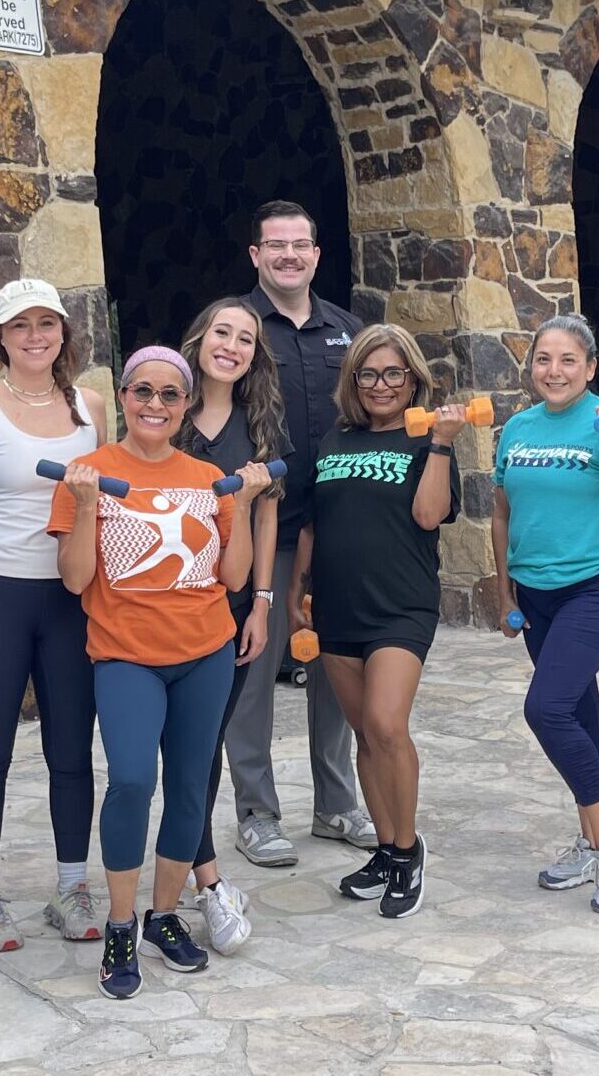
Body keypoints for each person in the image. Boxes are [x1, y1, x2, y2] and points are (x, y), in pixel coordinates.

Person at [48, 347, 273, 1002]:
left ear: (185, 405)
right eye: (142, 391)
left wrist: (254, 503)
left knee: (189, 789)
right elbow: (74, 579)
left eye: (170, 395)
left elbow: (231, 578)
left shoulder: (207, 477)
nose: (155, 404)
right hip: (125, 654)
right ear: (123, 396)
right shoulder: (90, 473)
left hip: (205, 651)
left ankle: (163, 915)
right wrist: (88, 505)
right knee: (131, 780)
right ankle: (121, 924)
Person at [0, 279, 112, 952]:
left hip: (71, 596)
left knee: (71, 748)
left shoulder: (91, 407)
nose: (34, 335)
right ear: (0, 336)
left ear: (64, 331)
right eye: (19, 325)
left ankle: (71, 887)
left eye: (47, 322)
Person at [289, 324, 462, 920]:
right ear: (353, 381)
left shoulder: (428, 441)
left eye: (394, 373)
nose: (382, 385)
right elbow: (312, 523)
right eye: (369, 373)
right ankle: (387, 850)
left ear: (413, 378)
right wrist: (295, 590)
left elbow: (429, 513)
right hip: (336, 605)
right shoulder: (335, 440)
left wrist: (440, 444)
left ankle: (410, 851)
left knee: (388, 724)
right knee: (364, 731)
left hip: (402, 603)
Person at [490, 312, 599, 916]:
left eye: (567, 361)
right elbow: (503, 513)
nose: (553, 371)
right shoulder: (518, 429)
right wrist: (505, 594)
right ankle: (592, 839)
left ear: (590, 368)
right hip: (535, 594)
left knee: (546, 707)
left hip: (596, 587)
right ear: (530, 366)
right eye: (543, 359)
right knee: (578, 713)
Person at [226, 200, 374, 866]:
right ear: (255, 256)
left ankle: (336, 804)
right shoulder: (234, 329)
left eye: (300, 245)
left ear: (316, 255)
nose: (289, 255)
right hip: (264, 533)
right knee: (253, 673)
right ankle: (256, 812)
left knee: (336, 669)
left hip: (339, 531)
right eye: (274, 245)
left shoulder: (349, 330)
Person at [176, 297, 287, 953]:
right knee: (179, 751)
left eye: (246, 339)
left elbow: (269, 513)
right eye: (223, 331)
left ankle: (204, 877)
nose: (233, 345)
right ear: (200, 338)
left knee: (205, 746)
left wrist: (266, 603)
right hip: (170, 602)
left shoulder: (261, 419)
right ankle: (203, 878)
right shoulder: (165, 405)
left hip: (235, 604)